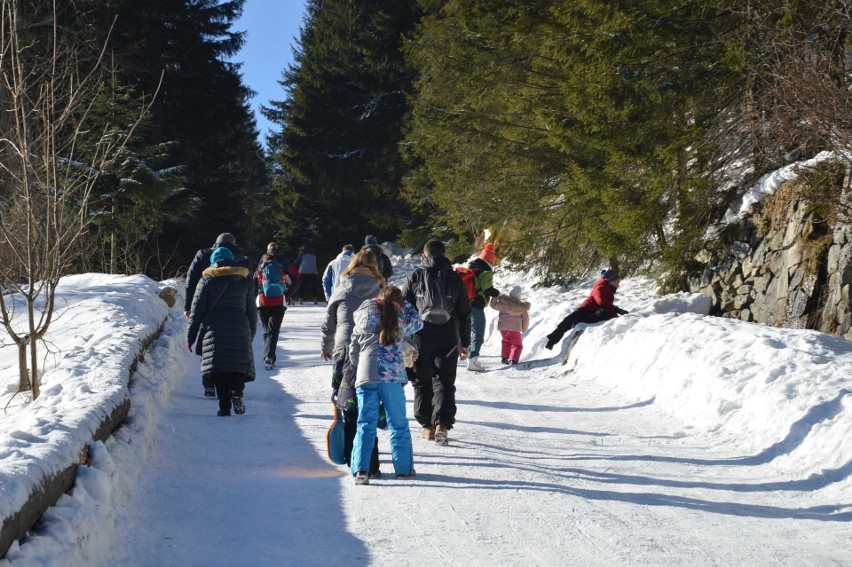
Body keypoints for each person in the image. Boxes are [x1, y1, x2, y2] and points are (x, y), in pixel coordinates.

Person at [345, 285, 423, 484]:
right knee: (398, 423)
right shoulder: (401, 317)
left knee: (365, 423)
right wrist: (405, 304)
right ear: (399, 302)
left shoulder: (363, 314)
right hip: (393, 376)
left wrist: (360, 366)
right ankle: (404, 469)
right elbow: (419, 323)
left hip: (366, 375)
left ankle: (361, 471)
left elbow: (353, 351)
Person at [321, 250, 385, 477]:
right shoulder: (380, 289)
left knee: (346, 403)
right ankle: (370, 460)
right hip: (371, 349)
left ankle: (351, 456)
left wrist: (327, 346)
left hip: (344, 348)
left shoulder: (342, 286)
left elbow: (329, 320)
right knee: (368, 405)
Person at [401, 239, 472, 446]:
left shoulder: (415, 275)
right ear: (444, 254)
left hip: (420, 334)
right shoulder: (455, 277)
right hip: (448, 335)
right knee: (445, 380)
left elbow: (404, 308)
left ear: (425, 254)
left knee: (422, 380)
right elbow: (465, 313)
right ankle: (442, 424)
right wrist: (465, 342)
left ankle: (427, 426)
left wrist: (404, 339)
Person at [186, 246, 257, 416]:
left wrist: (191, 337)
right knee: (237, 365)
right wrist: (251, 333)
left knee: (219, 369)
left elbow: (196, 312)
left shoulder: (207, 280)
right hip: (240, 326)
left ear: (213, 261)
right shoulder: (244, 279)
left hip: (214, 328)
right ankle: (238, 393)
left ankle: (224, 407)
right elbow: (252, 311)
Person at [544, 269, 627, 350]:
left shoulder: (607, 289)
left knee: (570, 321)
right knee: (568, 322)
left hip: (592, 310)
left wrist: (616, 316)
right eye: (617, 282)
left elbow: (607, 307)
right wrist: (617, 310)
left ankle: (553, 339)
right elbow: (602, 303)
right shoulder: (600, 288)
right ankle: (551, 340)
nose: (618, 285)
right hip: (586, 309)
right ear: (611, 281)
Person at [466, 242, 501, 372]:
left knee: (468, 330)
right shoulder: (486, 272)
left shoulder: (472, 267)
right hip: (476, 305)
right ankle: (473, 360)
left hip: (465, 304)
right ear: (491, 260)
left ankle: (469, 355)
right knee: (478, 332)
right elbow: (487, 290)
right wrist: (497, 293)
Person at [256, 253, 291, 370]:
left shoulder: (260, 270)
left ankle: (268, 357)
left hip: (263, 303)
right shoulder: (280, 269)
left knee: (267, 331)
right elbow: (290, 283)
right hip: (278, 303)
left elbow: (252, 285)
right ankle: (270, 358)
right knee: (273, 331)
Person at [489, 286, 530, 364]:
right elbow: (525, 319)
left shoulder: (504, 303)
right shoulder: (522, 307)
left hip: (503, 329)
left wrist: (495, 297)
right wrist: (524, 328)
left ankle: (505, 357)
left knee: (506, 342)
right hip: (515, 329)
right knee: (517, 345)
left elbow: (493, 305)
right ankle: (513, 359)